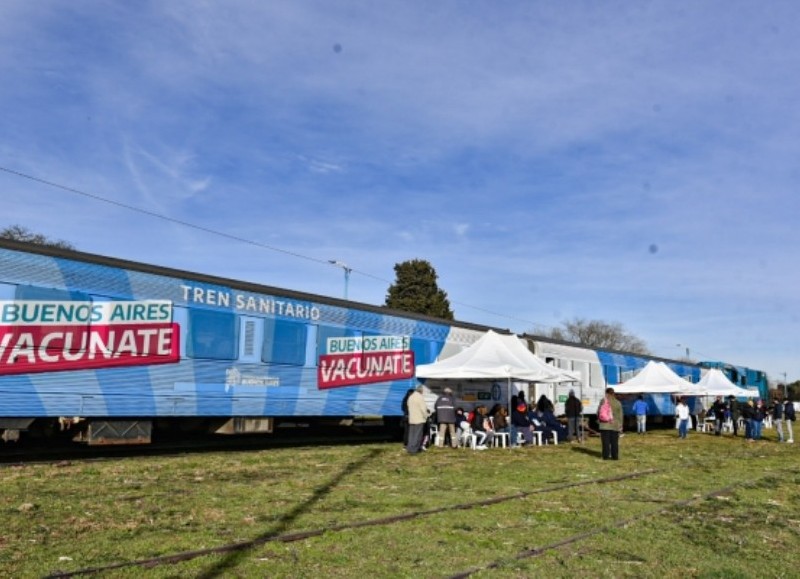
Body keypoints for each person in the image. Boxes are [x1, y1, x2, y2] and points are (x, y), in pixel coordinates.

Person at [597, 387, 623, 460]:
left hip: (605, 425)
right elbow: (620, 415)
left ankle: (606, 456)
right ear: (613, 393)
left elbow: (599, 412)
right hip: (615, 425)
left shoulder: (603, 401)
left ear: (606, 393)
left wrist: (599, 419)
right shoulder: (618, 402)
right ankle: (615, 456)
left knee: (606, 442)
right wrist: (620, 425)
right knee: (614, 442)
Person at [405, 385, 430, 454]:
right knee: (418, 435)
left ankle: (409, 448)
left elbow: (408, 406)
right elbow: (423, 409)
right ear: (421, 391)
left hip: (412, 418)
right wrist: (427, 416)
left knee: (411, 435)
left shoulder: (411, 397)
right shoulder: (420, 397)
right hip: (419, 419)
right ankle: (415, 449)